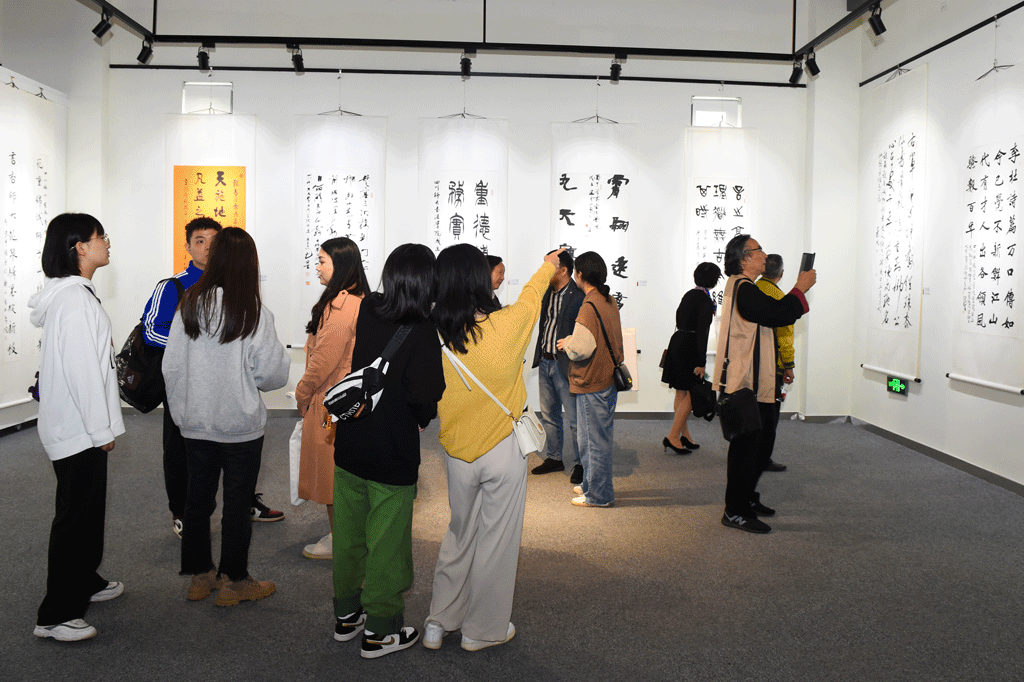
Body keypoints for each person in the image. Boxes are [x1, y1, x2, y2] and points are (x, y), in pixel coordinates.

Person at [425, 245, 562, 652]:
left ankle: (438, 622)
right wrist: (548, 265)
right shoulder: (509, 325)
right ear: (480, 280)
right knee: (496, 541)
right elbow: (533, 294)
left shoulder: (432, 330)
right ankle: (481, 631)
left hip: (457, 451)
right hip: (504, 447)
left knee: (459, 532)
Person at [162, 227, 290, 605]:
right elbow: (272, 374)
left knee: (197, 500)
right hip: (240, 426)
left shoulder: (189, 304)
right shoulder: (253, 311)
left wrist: (184, 412)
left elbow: (171, 368)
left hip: (196, 424)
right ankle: (235, 581)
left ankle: (200, 576)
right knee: (237, 503)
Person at [330, 244, 445, 659]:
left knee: (348, 536)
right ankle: (381, 629)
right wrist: (421, 415)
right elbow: (426, 394)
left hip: (351, 442)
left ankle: (347, 614)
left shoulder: (369, 308)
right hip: (392, 450)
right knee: (387, 544)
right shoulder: (423, 328)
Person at [140, 217, 282, 539]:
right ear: (187, 246)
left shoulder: (238, 290)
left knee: (236, 459)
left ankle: (245, 502)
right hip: (188, 389)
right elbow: (152, 332)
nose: (206, 248)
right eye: (199, 241)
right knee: (182, 456)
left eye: (213, 242)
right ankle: (181, 512)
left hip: (230, 392)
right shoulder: (175, 287)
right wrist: (199, 349)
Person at [29, 213, 126, 641]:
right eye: (100, 236)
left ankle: (85, 580)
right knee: (74, 517)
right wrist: (100, 431)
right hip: (78, 430)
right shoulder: (73, 301)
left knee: (87, 511)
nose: (107, 242)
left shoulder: (75, 295)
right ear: (80, 248)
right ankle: (55, 614)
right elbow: (83, 373)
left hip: (77, 426)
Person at [714, 235, 815, 534]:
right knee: (746, 447)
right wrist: (800, 288)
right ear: (745, 258)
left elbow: (770, 318)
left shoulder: (745, 286)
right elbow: (777, 314)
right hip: (746, 381)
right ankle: (735, 511)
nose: (765, 255)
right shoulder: (744, 287)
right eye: (759, 250)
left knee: (760, 443)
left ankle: (746, 498)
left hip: (758, 380)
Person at [294, 237, 368, 560]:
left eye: (322, 261)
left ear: (341, 265)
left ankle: (343, 542)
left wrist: (302, 393)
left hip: (331, 401)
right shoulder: (353, 300)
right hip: (342, 398)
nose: (318, 267)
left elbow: (323, 361)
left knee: (332, 477)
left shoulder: (342, 306)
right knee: (339, 475)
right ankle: (347, 537)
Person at [556, 251, 624, 508]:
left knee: (594, 443)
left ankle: (599, 495)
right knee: (591, 440)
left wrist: (567, 343)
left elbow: (581, 348)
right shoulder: (607, 300)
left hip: (592, 380)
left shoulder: (589, 306)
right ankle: (591, 485)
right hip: (605, 378)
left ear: (580, 274)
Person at [530, 248, 585, 482]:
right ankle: (554, 457)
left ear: (562, 270)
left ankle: (581, 463)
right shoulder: (546, 291)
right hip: (546, 361)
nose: (544, 269)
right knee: (549, 415)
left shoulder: (579, 295)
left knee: (574, 419)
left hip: (567, 365)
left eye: (549, 265)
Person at [661, 262, 722, 454]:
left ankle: (684, 435)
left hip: (678, 342)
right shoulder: (705, 300)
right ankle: (672, 436)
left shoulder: (689, 295)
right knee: (692, 393)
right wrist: (701, 363)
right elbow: (703, 333)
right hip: (690, 346)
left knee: (681, 391)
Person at [756, 254, 795, 473]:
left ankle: (751, 455)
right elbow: (785, 335)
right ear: (781, 273)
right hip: (772, 366)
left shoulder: (753, 290)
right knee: (770, 415)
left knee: (754, 412)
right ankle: (763, 458)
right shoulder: (779, 297)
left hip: (753, 363)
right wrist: (788, 364)